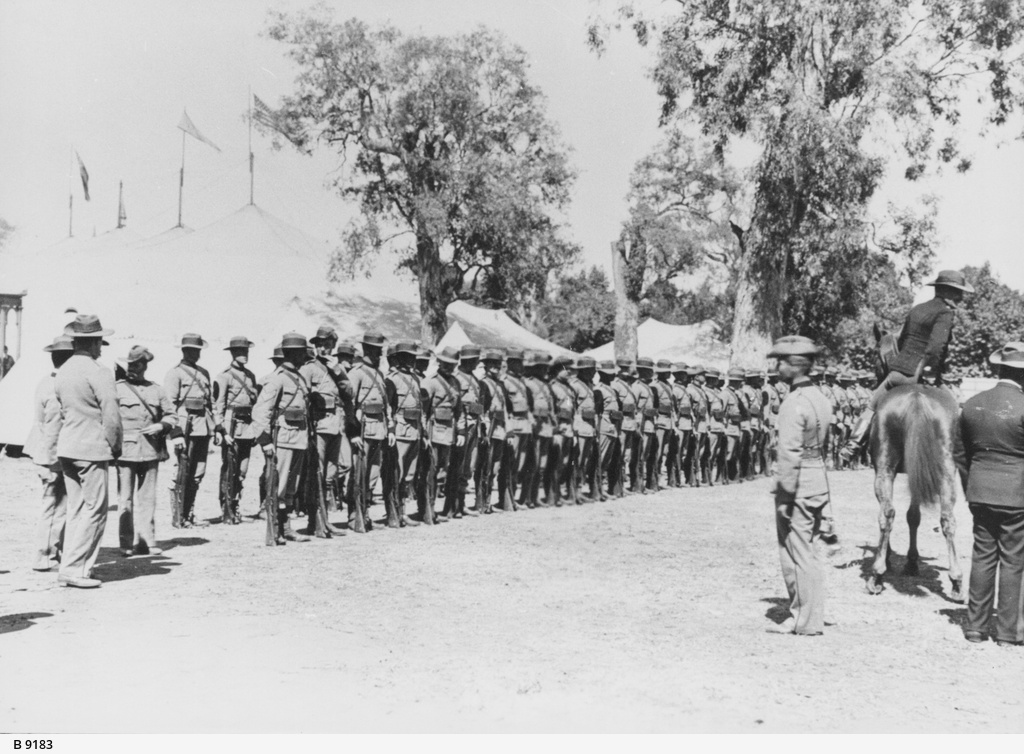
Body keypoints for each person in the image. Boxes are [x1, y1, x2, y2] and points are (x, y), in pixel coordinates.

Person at [842, 269, 975, 461]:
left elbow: (902, 341)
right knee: (953, 406)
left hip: (897, 374)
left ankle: (852, 444)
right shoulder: (945, 313)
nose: (961, 297)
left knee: (871, 407)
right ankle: (959, 456)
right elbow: (936, 347)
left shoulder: (917, 309)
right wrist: (929, 373)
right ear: (947, 291)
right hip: (920, 374)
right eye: (958, 292)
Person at [955, 342, 1024, 646]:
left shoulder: (971, 404)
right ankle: (1008, 634)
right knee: (1013, 560)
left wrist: (973, 484)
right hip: (1016, 494)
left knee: (983, 557)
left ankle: (975, 628)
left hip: (980, 491)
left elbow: (959, 453)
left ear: (999, 369)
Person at [767, 335, 832, 636]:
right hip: (817, 478)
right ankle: (808, 615)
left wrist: (784, 493)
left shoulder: (794, 402)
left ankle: (806, 620)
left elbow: (790, 452)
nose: (777, 366)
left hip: (798, 484)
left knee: (797, 553)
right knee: (808, 552)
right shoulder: (820, 397)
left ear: (795, 365)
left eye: (781, 361)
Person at [53, 315, 123, 588]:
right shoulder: (99, 371)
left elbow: (62, 408)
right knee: (96, 510)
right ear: (93, 343)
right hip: (92, 449)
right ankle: (75, 569)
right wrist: (115, 447)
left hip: (67, 446)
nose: (102, 348)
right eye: (99, 342)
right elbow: (111, 414)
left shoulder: (65, 370)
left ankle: (70, 565)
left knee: (77, 509)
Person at [251, 332, 313, 545]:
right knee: (278, 486)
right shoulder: (277, 380)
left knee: (291, 487)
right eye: (302, 353)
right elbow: (260, 412)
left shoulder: (299, 378)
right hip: (282, 440)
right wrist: (266, 440)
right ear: (293, 354)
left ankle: (286, 527)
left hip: (299, 438)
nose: (305, 357)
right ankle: (275, 528)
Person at [115, 345, 177, 556]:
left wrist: (162, 426)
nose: (131, 368)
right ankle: (126, 543)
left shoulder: (157, 390)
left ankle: (147, 541)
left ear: (145, 366)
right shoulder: (117, 388)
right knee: (125, 499)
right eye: (129, 364)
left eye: (136, 364)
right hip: (125, 452)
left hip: (150, 450)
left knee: (148, 498)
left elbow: (171, 415)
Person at [24, 335, 74, 571]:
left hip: (46, 455)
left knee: (54, 506)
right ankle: (46, 556)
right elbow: (53, 428)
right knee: (56, 507)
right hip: (55, 457)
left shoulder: (44, 383)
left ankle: (50, 553)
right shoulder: (59, 387)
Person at [299, 327, 349, 537]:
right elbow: (301, 395)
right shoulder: (309, 368)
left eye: (327, 344)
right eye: (319, 344)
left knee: (330, 475)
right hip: (318, 426)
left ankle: (325, 520)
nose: (323, 348)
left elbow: (349, 392)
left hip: (336, 426)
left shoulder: (338, 369)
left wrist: (338, 371)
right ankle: (315, 521)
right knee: (316, 475)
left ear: (333, 346)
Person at [164, 333, 214, 528]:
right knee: (181, 472)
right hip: (185, 428)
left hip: (203, 427)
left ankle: (189, 513)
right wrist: (175, 433)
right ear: (183, 351)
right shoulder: (174, 373)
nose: (194, 353)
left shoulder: (204, 373)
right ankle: (178, 516)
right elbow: (169, 406)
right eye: (190, 350)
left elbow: (211, 404)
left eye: (197, 350)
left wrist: (217, 427)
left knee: (197, 473)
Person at [347, 332, 394, 532]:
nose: (377, 355)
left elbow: (386, 406)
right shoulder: (356, 373)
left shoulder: (380, 374)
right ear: (366, 350)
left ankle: (364, 511)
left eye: (379, 351)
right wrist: (353, 433)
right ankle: (353, 514)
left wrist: (390, 428)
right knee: (359, 474)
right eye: (374, 351)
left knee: (373, 474)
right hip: (363, 430)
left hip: (379, 430)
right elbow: (349, 405)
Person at [213, 336, 258, 525]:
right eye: (240, 351)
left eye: (246, 351)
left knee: (242, 470)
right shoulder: (224, 376)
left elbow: (254, 404)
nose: (244, 355)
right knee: (229, 468)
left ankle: (236, 503)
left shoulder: (251, 376)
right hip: (231, 426)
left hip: (247, 427)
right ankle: (226, 506)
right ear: (232, 353)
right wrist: (221, 430)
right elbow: (218, 405)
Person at [383, 340, 423, 527]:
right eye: (406, 357)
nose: (410, 361)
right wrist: (390, 430)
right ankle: (392, 512)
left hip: (414, 431)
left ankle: (403, 512)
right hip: (399, 432)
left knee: (409, 475)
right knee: (396, 474)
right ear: (399, 358)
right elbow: (388, 408)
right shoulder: (392, 379)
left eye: (413, 357)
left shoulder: (416, 379)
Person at [421, 346, 462, 523]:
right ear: (439, 362)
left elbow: (459, 411)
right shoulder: (430, 382)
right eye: (446, 364)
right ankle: (426, 509)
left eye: (452, 365)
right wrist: (423, 434)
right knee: (430, 471)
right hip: (432, 432)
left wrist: (460, 431)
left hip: (448, 434)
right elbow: (423, 410)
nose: (449, 367)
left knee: (441, 472)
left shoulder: (455, 383)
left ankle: (434, 508)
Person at [451, 344, 485, 517]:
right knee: (458, 465)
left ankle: (462, 504)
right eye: (473, 360)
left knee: (469, 467)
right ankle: (454, 506)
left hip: (475, 425)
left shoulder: (475, 379)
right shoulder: (456, 378)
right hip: (462, 426)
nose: (476, 363)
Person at [594, 360, 621, 499]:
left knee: (606, 461)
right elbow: (597, 413)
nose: (612, 375)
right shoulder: (599, 390)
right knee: (601, 459)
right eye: (608, 373)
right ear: (601, 374)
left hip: (612, 427)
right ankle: (597, 489)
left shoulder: (613, 389)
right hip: (604, 426)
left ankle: (601, 488)